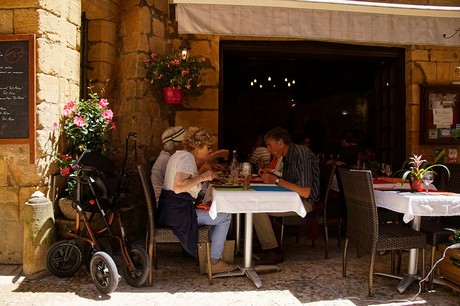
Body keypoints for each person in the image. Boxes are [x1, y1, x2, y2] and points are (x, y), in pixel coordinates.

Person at [157, 127, 237, 273]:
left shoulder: (180, 155)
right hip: (178, 214)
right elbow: (178, 187)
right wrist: (203, 177)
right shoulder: (187, 158)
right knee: (225, 216)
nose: (210, 151)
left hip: (171, 211)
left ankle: (207, 256)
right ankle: (213, 262)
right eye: (208, 147)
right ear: (197, 146)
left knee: (215, 212)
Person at [253, 127, 320, 265]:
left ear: (281, 143)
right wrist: (272, 176)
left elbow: (305, 192)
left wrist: (276, 180)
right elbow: (289, 182)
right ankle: (264, 242)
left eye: (269, 145)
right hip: (291, 199)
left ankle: (273, 250)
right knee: (254, 201)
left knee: (256, 207)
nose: (268, 150)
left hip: (304, 203)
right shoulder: (287, 157)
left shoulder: (302, 153)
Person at [151, 126, 229, 203]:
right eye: (208, 147)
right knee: (227, 214)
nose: (185, 144)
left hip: (173, 206)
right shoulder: (183, 157)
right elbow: (178, 187)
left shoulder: (177, 156)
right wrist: (201, 176)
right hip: (174, 208)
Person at [151, 126, 186, 203]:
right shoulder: (167, 160)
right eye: (184, 143)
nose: (186, 146)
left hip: (170, 201)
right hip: (165, 204)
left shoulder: (168, 156)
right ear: (176, 145)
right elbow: (180, 185)